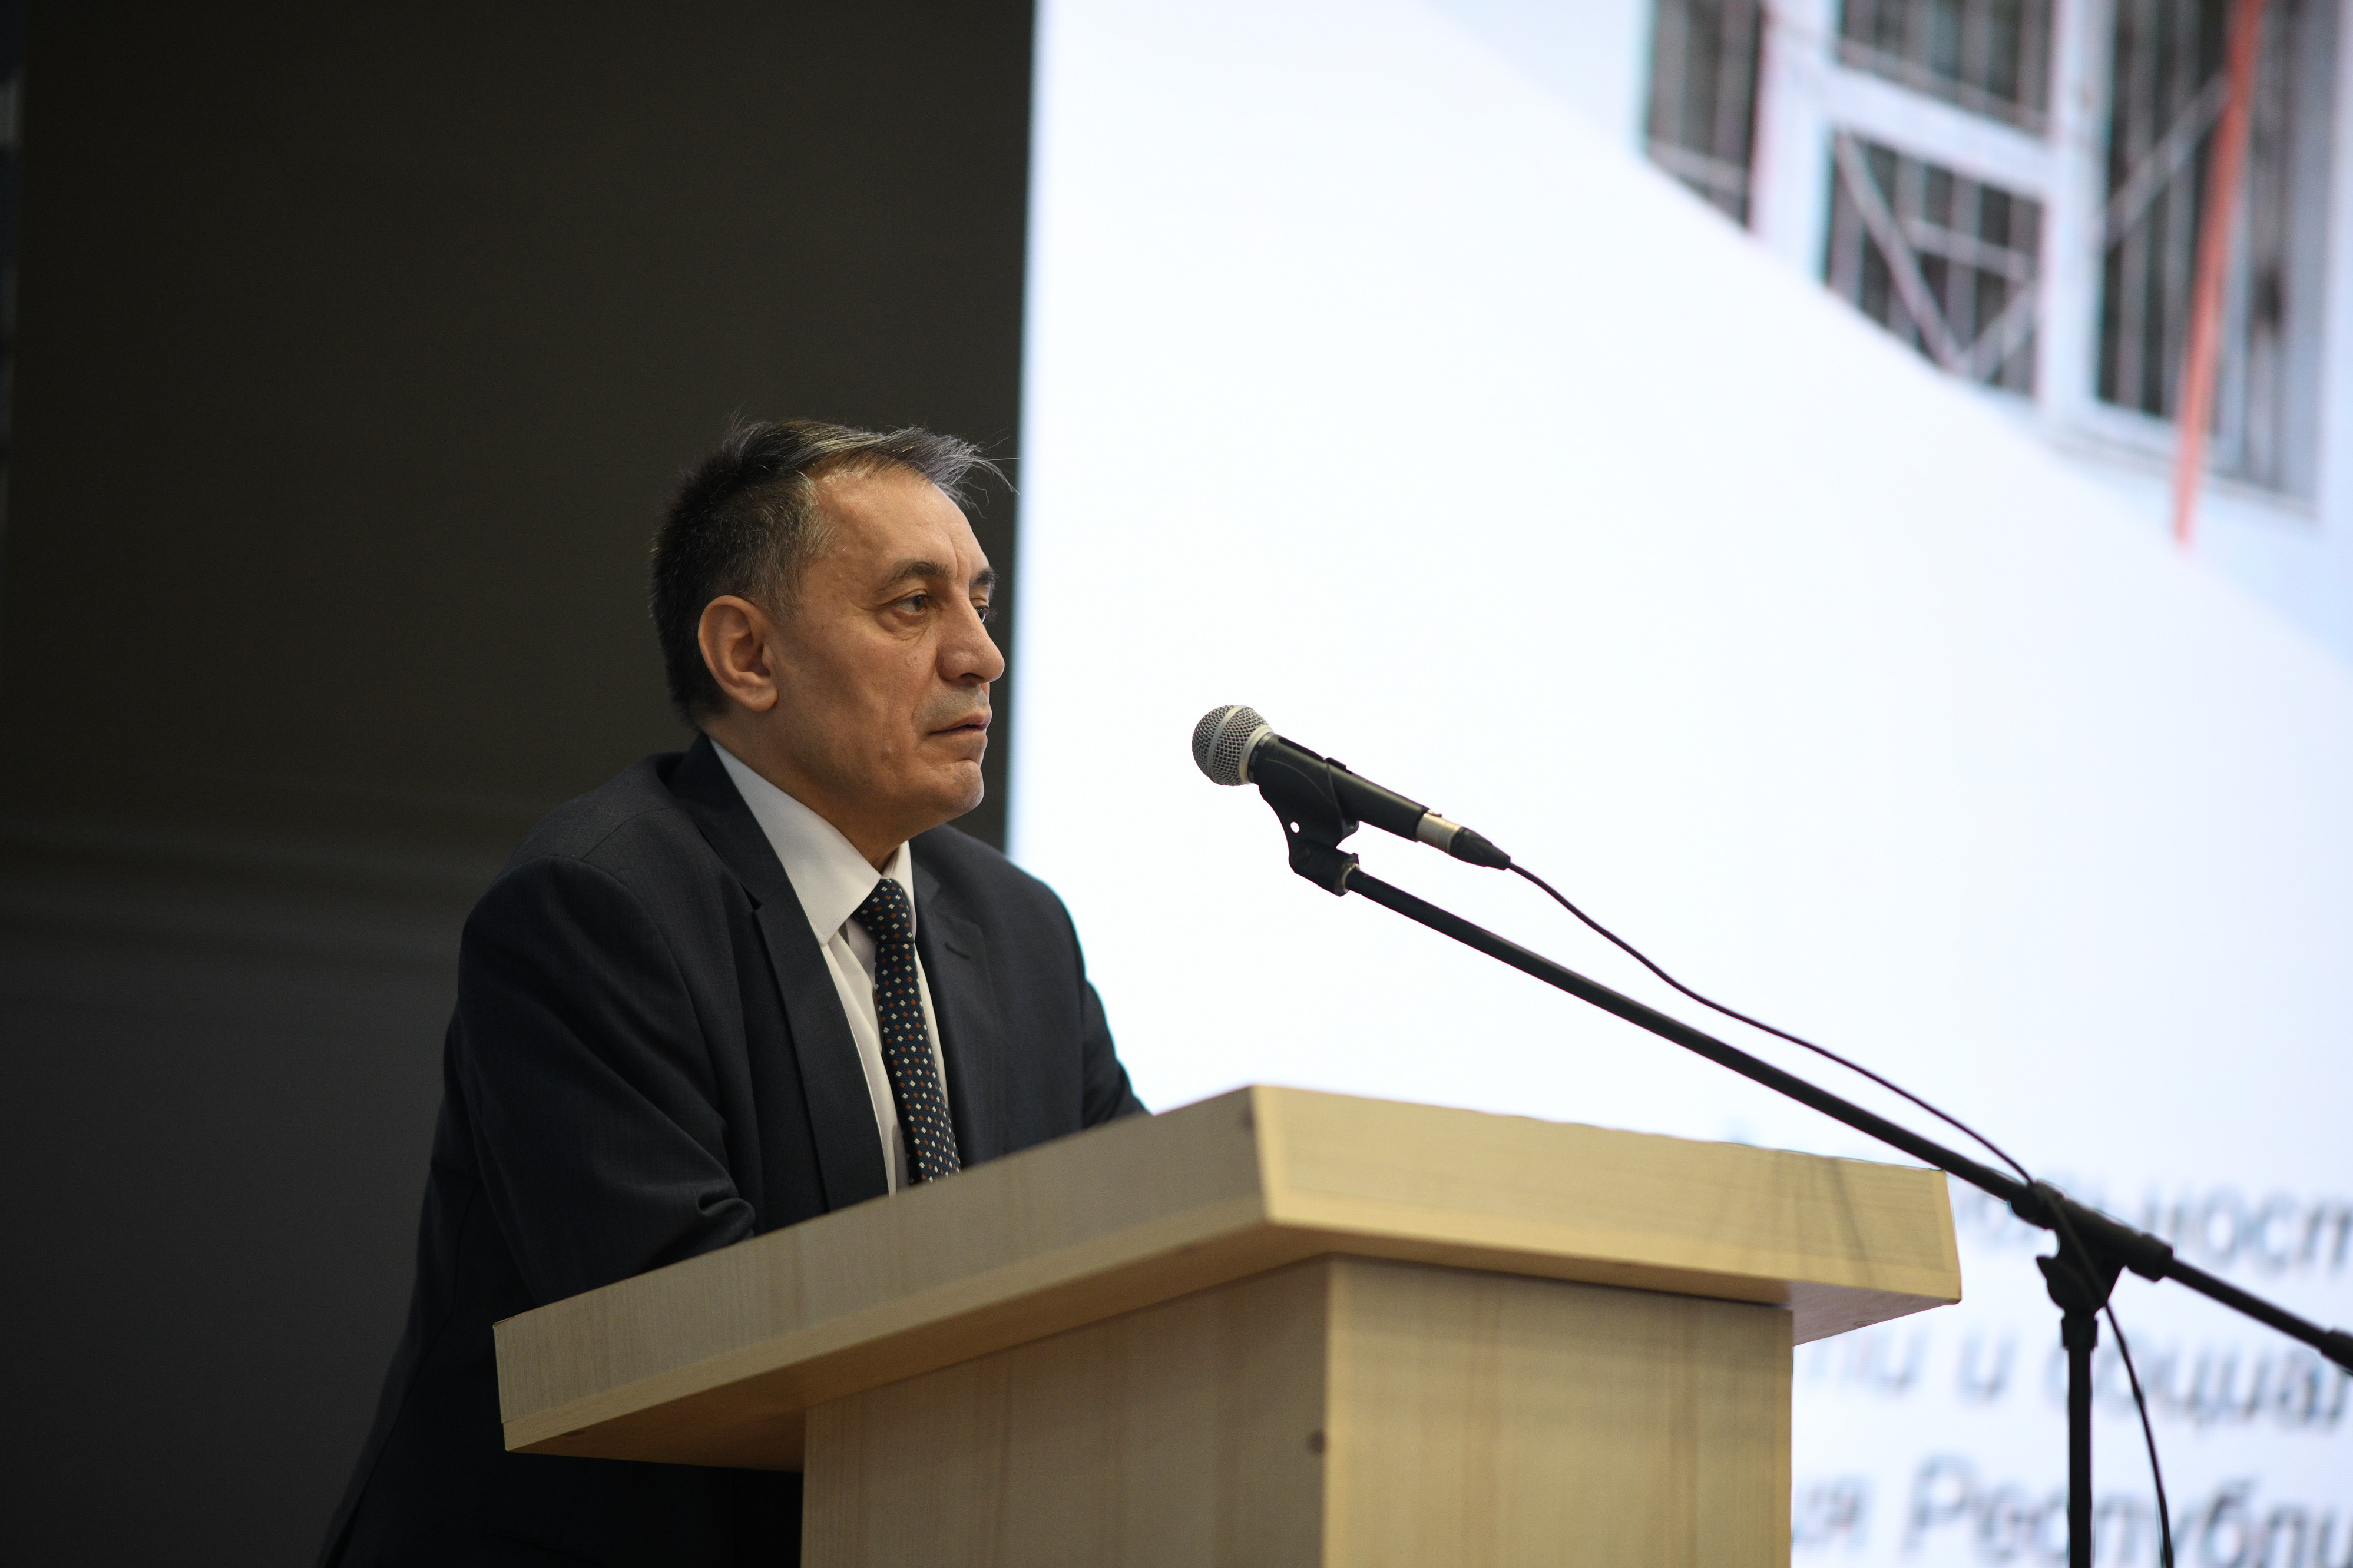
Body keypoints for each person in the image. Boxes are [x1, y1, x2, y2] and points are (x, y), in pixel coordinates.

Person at [319, 420, 1144, 1566]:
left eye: (981, 602)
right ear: (747, 654)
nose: (980, 656)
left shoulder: (1021, 931)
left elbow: (1138, 1242)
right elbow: (682, 1324)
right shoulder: (598, 905)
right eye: (914, 606)